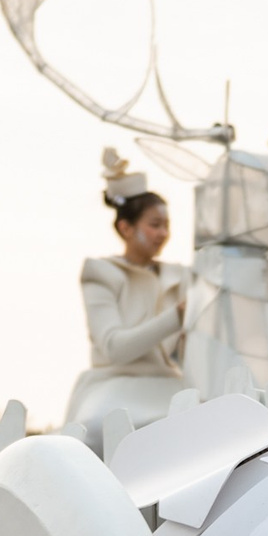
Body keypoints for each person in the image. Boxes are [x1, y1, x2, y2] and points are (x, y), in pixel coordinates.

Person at [66, 153, 191, 429]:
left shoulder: (180, 276)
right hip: (113, 388)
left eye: (166, 226)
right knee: (98, 429)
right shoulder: (101, 273)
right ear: (126, 228)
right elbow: (115, 349)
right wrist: (177, 315)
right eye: (155, 225)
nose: (163, 233)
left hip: (169, 388)